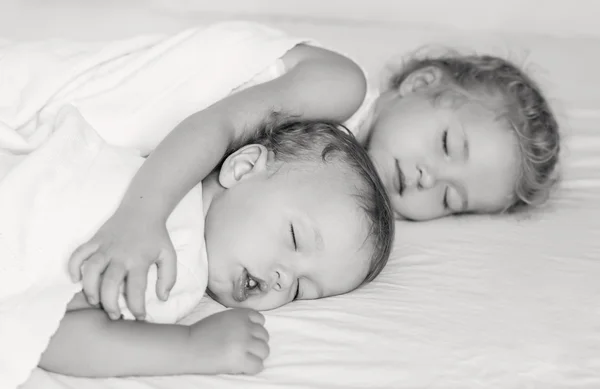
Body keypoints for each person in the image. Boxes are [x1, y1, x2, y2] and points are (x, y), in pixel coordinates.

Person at [69, 42, 559, 321]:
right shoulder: (341, 88)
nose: (428, 178)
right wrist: (142, 214)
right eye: (448, 144)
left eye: (452, 198)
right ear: (420, 84)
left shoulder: (343, 225)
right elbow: (215, 125)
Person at [41, 116, 394, 377]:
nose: (284, 280)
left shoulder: (181, 267)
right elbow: (48, 337)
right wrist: (192, 346)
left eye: (302, 289)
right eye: (294, 238)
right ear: (241, 169)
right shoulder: (172, 250)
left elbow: (48, 330)